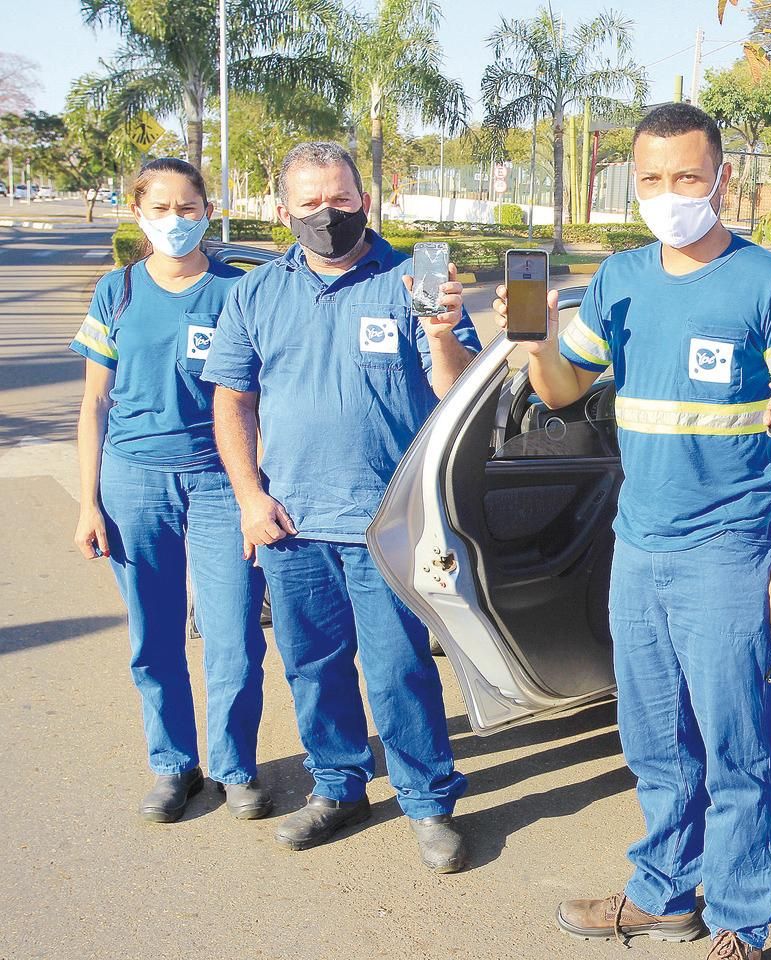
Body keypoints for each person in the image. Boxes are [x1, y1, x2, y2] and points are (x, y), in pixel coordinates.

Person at [494, 103, 771, 959]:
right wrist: (532, 344)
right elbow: (567, 392)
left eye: (687, 176)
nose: (669, 194)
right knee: (652, 737)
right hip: (637, 544)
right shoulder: (619, 279)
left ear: (722, 178)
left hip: (730, 548)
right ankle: (662, 893)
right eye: (651, 179)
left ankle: (741, 920)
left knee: (735, 744)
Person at [200, 142, 480, 872]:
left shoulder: (416, 275)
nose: (328, 213)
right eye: (311, 201)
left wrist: (443, 334)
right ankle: (339, 785)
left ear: (367, 200)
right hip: (291, 525)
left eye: (342, 198)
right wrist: (248, 498)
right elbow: (232, 400)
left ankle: (428, 800)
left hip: (387, 526)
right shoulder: (255, 293)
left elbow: (458, 395)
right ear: (284, 209)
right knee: (314, 667)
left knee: (400, 670)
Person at [70, 158, 268, 823]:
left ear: (209, 211)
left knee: (234, 634)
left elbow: (261, 400)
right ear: (138, 213)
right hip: (134, 482)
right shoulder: (117, 291)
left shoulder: (238, 292)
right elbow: (94, 403)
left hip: (220, 483)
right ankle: (173, 765)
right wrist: (88, 501)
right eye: (161, 208)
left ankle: (234, 767)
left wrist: (255, 493)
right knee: (154, 637)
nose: (175, 221)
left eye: (188, 208)